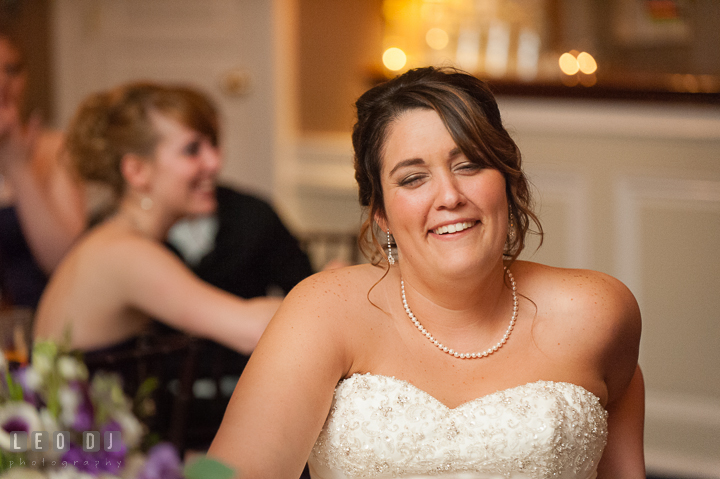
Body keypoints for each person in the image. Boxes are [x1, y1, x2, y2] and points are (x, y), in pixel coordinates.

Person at [208, 67, 644, 479]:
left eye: (469, 164)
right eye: (414, 178)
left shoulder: (595, 312)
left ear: (507, 180)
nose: (450, 196)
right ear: (380, 212)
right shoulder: (324, 310)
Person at [33, 82, 282, 357]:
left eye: (212, 145)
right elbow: (250, 330)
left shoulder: (120, 237)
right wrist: (323, 292)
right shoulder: (126, 253)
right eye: (191, 149)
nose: (213, 163)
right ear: (137, 170)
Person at [0, 29, 85, 308]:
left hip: (39, 324)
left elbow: (66, 263)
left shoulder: (55, 148)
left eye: (12, 70)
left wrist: (18, 168)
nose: (2, 82)